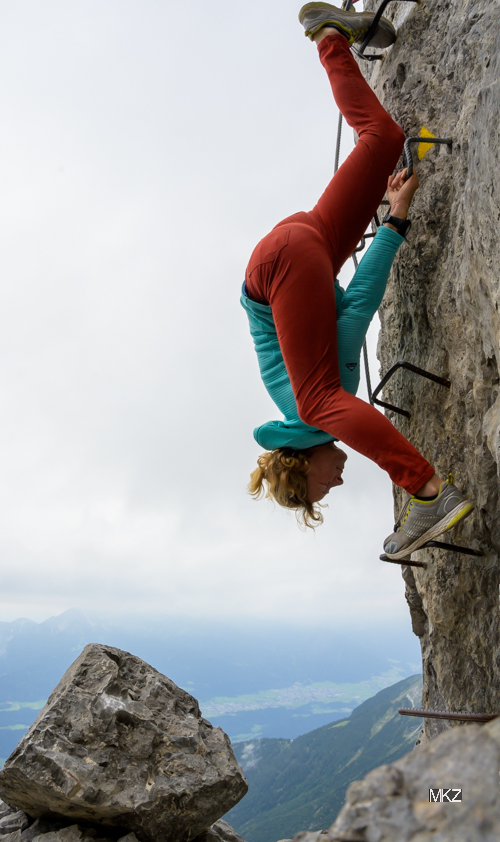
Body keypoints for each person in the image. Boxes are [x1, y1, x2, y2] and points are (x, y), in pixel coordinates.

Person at [242, 3, 472, 559]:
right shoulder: (322, 394)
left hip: (278, 267)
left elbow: (356, 315)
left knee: (322, 402)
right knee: (383, 137)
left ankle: (427, 492)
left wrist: (395, 224)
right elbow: (353, 312)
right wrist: (394, 217)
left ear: (303, 463)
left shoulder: (310, 407)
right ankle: (329, 38)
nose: (337, 483)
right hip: (306, 246)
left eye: (322, 487)